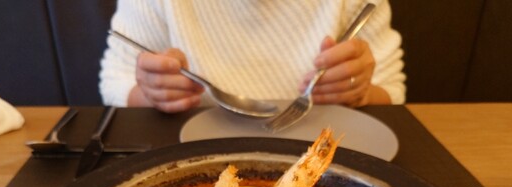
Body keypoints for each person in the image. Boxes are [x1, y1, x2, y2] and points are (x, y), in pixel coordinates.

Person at [99, 0, 405, 113]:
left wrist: (360, 92)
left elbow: (392, 91)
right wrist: (152, 93)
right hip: (184, 158)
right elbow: (115, 83)